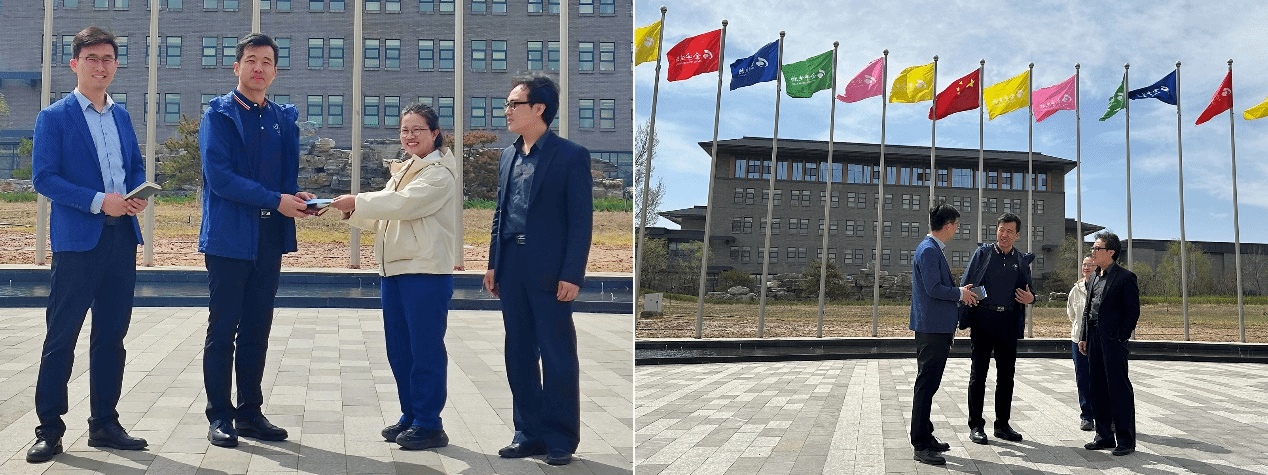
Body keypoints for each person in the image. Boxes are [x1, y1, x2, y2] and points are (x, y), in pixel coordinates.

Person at [27, 25, 150, 463]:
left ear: (116, 65)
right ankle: (49, 429)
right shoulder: (54, 117)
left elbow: (134, 166)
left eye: (108, 59)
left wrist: (136, 194)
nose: (101, 66)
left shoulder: (121, 116)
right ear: (75, 64)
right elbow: (44, 178)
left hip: (121, 239)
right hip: (78, 243)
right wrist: (100, 201)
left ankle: (104, 424)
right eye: (92, 59)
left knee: (112, 336)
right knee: (61, 337)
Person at [198, 33, 313, 448]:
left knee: (257, 327)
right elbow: (221, 179)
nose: (258, 68)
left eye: (266, 62)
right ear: (237, 67)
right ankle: (219, 415)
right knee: (223, 328)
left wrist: (295, 197)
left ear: (275, 72)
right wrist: (275, 199)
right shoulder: (219, 115)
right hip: (229, 237)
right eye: (251, 60)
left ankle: (250, 412)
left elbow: (282, 179)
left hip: (268, 236)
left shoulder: (281, 118)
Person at [329, 104, 460, 451]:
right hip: (396, 270)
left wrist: (357, 200)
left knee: (424, 350)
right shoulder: (406, 169)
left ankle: (429, 423)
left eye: (418, 129)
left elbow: (403, 205)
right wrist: (344, 208)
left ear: (435, 133)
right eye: (405, 130)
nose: (410, 136)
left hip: (425, 271)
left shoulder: (439, 172)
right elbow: (385, 213)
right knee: (400, 350)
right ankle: (411, 415)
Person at [483, 73, 592, 466]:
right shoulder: (507, 156)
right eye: (508, 104)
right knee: (518, 351)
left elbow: (580, 221)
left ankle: (560, 437)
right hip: (512, 265)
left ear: (539, 108)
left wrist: (572, 274)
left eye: (514, 104)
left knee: (557, 352)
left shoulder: (570, 156)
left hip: (550, 268)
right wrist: (493, 263)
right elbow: (500, 214)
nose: (507, 110)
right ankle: (528, 433)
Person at [909, 203, 978, 466]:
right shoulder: (928, 250)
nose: (956, 229)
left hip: (935, 327)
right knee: (926, 385)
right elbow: (933, 288)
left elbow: (937, 287)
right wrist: (960, 293)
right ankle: (920, 444)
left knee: (929, 384)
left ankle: (926, 435)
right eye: (956, 225)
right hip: (932, 328)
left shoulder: (932, 248)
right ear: (948, 225)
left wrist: (960, 290)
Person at [958, 213, 1035, 445]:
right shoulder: (983, 254)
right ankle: (976, 426)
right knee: (978, 375)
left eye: (1010, 231)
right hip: (984, 319)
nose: (1004, 235)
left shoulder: (1020, 259)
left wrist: (1031, 298)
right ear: (996, 230)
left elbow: (1030, 291)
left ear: (1017, 235)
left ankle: (1002, 425)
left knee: (1006, 376)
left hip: (1008, 322)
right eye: (1002, 230)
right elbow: (967, 285)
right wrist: (982, 296)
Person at [1079, 231, 1140, 456]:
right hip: (1093, 337)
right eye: (1093, 248)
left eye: (1097, 248)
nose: (1093, 252)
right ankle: (1103, 436)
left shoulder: (1125, 278)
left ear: (1111, 252)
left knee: (1118, 389)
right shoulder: (1094, 276)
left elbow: (1133, 311)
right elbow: (1087, 310)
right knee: (1096, 387)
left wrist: (1121, 336)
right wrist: (1084, 335)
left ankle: (1125, 440)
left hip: (1113, 340)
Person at [1067, 257, 1097, 432]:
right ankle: (1086, 417)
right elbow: (1071, 314)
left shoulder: (1102, 286)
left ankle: (1106, 417)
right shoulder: (1075, 290)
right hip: (1078, 340)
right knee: (1083, 378)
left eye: (1090, 264)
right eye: (1084, 264)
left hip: (1098, 340)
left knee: (1101, 379)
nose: (1086, 267)